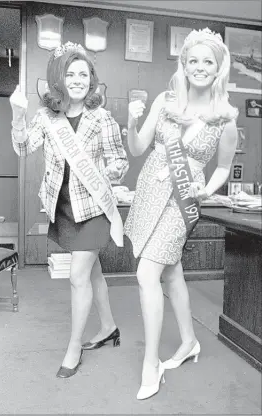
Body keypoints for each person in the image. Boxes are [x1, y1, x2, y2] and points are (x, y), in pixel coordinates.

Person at [124, 28, 238, 400]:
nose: (200, 67)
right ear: (184, 65)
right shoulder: (167, 101)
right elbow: (139, 147)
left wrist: (208, 188)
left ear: (219, 67)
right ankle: (189, 342)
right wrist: (131, 121)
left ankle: (150, 363)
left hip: (180, 198)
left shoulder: (225, 119)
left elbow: (222, 167)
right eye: (194, 61)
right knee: (171, 273)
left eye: (208, 61)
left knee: (147, 272)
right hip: (150, 191)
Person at [9, 41, 129, 378]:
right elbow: (23, 148)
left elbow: (119, 161)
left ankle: (73, 346)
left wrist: (108, 172)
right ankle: (108, 327)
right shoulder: (48, 116)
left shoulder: (101, 117)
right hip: (62, 208)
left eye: (83, 74)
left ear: (91, 79)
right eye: (70, 73)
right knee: (93, 273)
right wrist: (18, 115)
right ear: (59, 79)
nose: (77, 79)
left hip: (93, 208)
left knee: (78, 276)